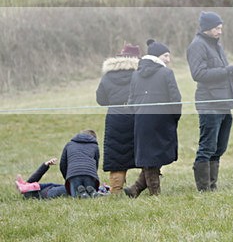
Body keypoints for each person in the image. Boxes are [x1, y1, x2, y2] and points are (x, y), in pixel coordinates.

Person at [187, 11, 233, 192]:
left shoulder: (216, 45)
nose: (220, 31)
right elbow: (198, 74)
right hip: (210, 103)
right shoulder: (197, 46)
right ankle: (204, 189)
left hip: (224, 103)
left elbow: (224, 71)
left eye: (220, 28)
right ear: (206, 28)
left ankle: (212, 186)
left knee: (219, 147)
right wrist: (228, 71)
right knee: (207, 147)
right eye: (216, 28)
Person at [126, 39, 182, 197]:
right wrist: (174, 118)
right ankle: (154, 194)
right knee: (153, 158)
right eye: (165, 55)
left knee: (151, 156)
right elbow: (175, 99)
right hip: (162, 121)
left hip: (142, 121)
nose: (168, 59)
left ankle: (135, 189)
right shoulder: (166, 73)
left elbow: (131, 102)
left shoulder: (136, 75)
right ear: (157, 56)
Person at [96, 43, 141, 195]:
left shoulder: (108, 75)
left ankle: (116, 190)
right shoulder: (140, 73)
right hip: (137, 114)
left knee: (116, 154)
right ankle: (144, 185)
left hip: (115, 116)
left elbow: (101, 100)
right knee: (144, 152)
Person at [59, 129, 101, 198]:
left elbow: (62, 164)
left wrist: (67, 177)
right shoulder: (94, 146)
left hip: (73, 174)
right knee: (91, 197)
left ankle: (82, 194)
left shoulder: (69, 145)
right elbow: (96, 164)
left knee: (76, 198)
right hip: (89, 173)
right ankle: (89, 193)